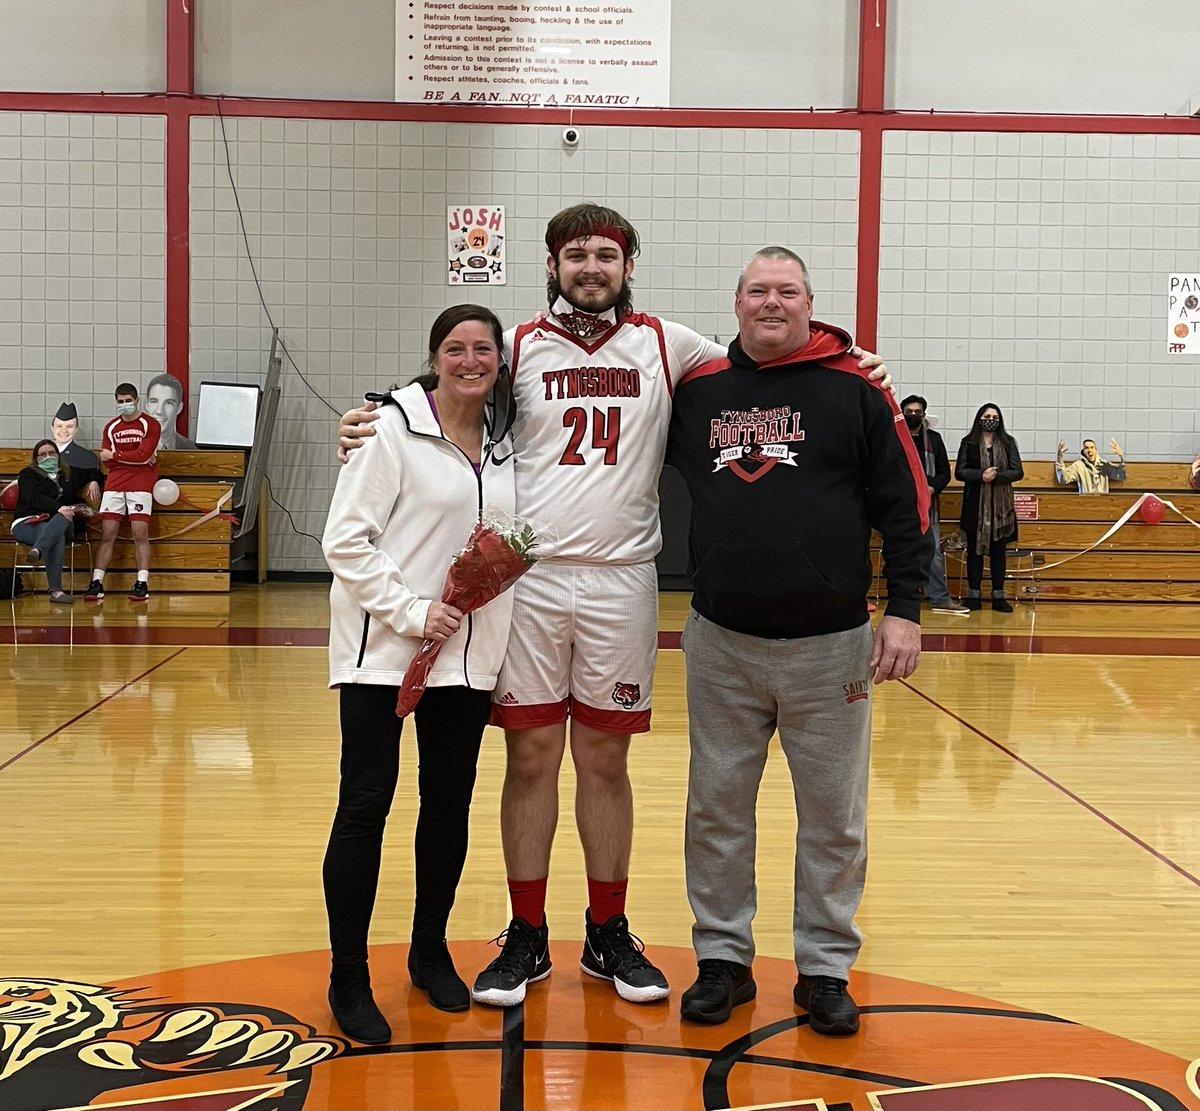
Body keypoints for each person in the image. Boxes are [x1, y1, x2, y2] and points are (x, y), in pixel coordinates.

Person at [336, 203, 893, 1011]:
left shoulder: (671, 343)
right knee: (529, 759)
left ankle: (607, 929)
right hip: (526, 581)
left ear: (629, 264)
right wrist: (368, 418)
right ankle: (527, 932)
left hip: (622, 579)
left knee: (605, 760)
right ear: (554, 265)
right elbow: (443, 393)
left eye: (605, 254)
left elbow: (770, 347)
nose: (590, 267)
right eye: (575, 255)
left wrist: (848, 357)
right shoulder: (519, 344)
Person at [666, 247, 928, 1035]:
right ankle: (723, 959)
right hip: (721, 640)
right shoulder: (697, 391)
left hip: (831, 644)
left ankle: (824, 968)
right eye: (758, 291)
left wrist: (906, 607)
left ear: (811, 302)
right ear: (736, 302)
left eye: (787, 291)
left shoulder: (855, 387)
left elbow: (906, 501)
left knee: (833, 818)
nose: (771, 302)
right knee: (715, 809)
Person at [320, 305, 518, 1042]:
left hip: (466, 660)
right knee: (366, 804)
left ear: (500, 360)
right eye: (455, 348)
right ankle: (348, 974)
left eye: (484, 349)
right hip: (385, 653)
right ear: (434, 356)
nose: (471, 360)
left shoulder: (508, 439)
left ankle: (429, 953)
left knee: (448, 806)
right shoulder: (388, 430)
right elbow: (345, 539)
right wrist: (409, 610)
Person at [85, 384, 160, 604]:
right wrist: (125, 457)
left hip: (141, 484)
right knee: (108, 532)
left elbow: (143, 456)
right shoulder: (111, 427)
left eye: (128, 400)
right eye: (120, 401)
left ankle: (142, 583)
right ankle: (97, 582)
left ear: (137, 400)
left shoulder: (150, 424)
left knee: (140, 533)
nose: (124, 405)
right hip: (115, 484)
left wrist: (115, 455)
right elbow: (104, 458)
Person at [901, 395, 968, 616]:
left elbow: (944, 472)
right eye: (908, 411)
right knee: (900, 550)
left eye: (917, 411)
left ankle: (939, 598)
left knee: (933, 551)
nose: (913, 415)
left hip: (928, 504)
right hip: (900, 503)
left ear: (923, 414)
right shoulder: (894, 438)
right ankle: (902, 598)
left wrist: (931, 488)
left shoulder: (935, 440)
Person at [955, 403, 1024, 613]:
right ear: (979, 418)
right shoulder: (968, 443)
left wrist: (997, 478)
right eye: (987, 416)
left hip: (1002, 510)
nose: (991, 419)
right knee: (974, 552)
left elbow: (1018, 471)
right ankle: (973, 595)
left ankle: (999, 596)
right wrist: (981, 476)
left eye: (995, 417)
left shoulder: (1008, 442)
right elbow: (960, 472)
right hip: (975, 506)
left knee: (998, 552)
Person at [11, 440, 93, 605]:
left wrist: (94, 482)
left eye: (51, 453)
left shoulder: (69, 474)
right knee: (58, 537)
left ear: (58, 455)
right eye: (43, 454)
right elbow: (33, 498)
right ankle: (56, 592)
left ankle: (38, 550)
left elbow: (93, 472)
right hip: (28, 522)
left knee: (61, 520)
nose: (48, 457)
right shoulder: (28, 474)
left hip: (65, 521)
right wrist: (59, 507)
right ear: (36, 458)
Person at [49, 402, 102, 515]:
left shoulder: (86, 457)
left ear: (76, 430)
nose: (64, 431)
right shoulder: (43, 453)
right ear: (52, 428)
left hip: (69, 511)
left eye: (69, 426)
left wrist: (94, 481)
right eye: (59, 426)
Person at [144, 373, 197, 450]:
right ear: (147, 405)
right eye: (154, 401)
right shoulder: (132, 448)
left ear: (179, 408)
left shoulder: (193, 450)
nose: (159, 411)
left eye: (168, 403)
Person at [1055, 437, 1125, 494]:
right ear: (1083, 452)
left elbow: (1120, 476)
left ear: (1096, 450)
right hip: (1085, 504)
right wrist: (1060, 458)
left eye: (1092, 447)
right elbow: (1063, 479)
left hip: (1103, 504)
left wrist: (1121, 457)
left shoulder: (1104, 465)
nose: (1089, 450)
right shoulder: (1078, 466)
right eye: (1086, 448)